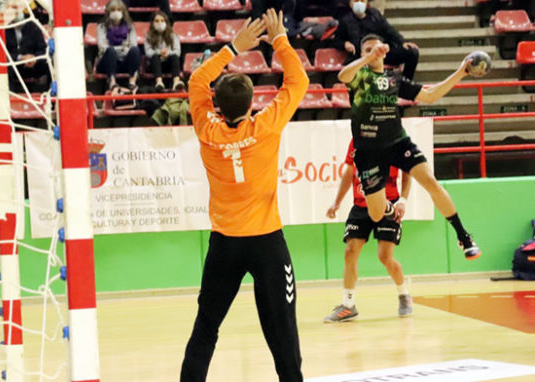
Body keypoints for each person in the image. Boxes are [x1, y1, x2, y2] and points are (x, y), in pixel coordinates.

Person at [180, 10, 309, 382]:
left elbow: (197, 80)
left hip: (225, 246)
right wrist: (280, 38)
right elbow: (297, 80)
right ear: (252, 104)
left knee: (206, 326)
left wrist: (234, 46)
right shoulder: (266, 126)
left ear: (216, 105)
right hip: (266, 242)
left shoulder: (207, 130)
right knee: (282, 332)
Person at [338, 34, 481, 259]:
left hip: (397, 142)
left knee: (430, 181)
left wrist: (461, 72)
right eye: (367, 49)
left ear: (385, 53)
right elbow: (342, 75)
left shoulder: (394, 79)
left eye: (377, 48)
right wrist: (368, 58)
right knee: (376, 214)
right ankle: (388, 207)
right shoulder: (359, 77)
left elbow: (431, 95)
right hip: (369, 152)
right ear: (361, 54)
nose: (373, 52)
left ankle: (464, 236)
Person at [323, 140, 412, 322]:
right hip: (361, 206)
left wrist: (403, 199)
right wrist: (337, 201)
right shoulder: (356, 140)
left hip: (388, 204)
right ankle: (348, 305)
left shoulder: (393, 137)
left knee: (385, 256)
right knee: (350, 251)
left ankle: (404, 295)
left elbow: (407, 169)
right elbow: (349, 171)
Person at [332, 0, 419, 80]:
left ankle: (406, 86)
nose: (359, 3)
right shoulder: (345, 20)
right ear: (350, 3)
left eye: (362, 0)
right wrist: (345, 44)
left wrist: (402, 42)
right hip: (362, 57)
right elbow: (336, 40)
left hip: (381, 53)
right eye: (355, 0)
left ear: (366, 3)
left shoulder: (375, 14)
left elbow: (389, 30)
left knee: (412, 52)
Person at [97, 0, 141, 91]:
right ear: (108, 12)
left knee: (135, 50)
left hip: (124, 60)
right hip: (106, 61)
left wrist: (117, 48)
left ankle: (132, 81)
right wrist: (123, 48)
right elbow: (102, 48)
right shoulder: (101, 27)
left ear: (123, 12)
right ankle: (112, 82)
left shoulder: (130, 26)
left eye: (118, 10)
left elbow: (133, 44)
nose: (116, 12)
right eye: (113, 10)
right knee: (110, 51)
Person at [5, 7, 50, 92]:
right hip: (15, 66)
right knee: (6, 68)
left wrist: (34, 58)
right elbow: (3, 53)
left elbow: (43, 50)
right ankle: (10, 97)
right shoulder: (4, 29)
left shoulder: (33, 27)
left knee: (50, 64)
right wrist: (20, 58)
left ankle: (50, 97)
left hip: (33, 65)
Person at [144, 11, 183, 92]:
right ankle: (159, 82)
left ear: (166, 22)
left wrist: (168, 53)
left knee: (174, 57)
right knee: (155, 56)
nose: (160, 23)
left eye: (162, 21)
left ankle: (176, 82)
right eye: (157, 21)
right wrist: (159, 53)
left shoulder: (173, 34)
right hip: (155, 65)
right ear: (153, 23)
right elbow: (148, 52)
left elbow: (177, 51)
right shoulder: (148, 35)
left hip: (169, 63)